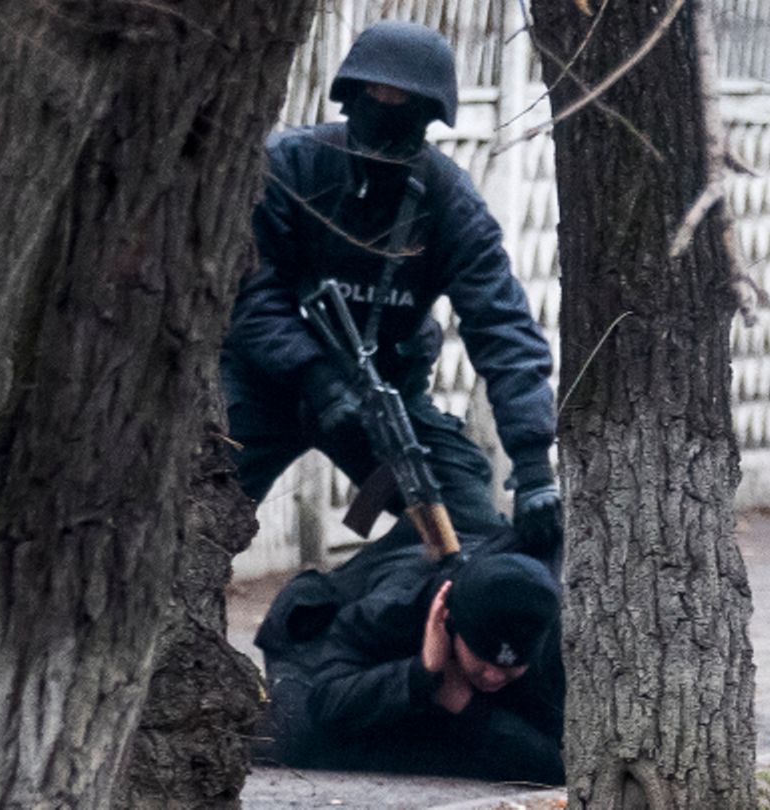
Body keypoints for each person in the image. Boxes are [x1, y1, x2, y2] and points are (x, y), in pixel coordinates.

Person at [220, 20, 562, 563]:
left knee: (472, 539)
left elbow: (502, 326)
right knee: (193, 520)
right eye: (375, 94)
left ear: (430, 115)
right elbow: (249, 293)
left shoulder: (448, 201)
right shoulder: (290, 167)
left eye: (402, 101)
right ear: (350, 97)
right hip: (266, 389)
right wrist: (314, 376)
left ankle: (388, 604)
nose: (386, 109)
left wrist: (534, 466)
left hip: (380, 400)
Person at [253, 548, 565, 784]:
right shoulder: (394, 608)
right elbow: (327, 701)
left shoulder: (551, 638)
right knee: (301, 742)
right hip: (315, 637)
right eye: (482, 659)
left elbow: (565, 762)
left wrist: (468, 708)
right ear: (449, 623)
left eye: (511, 667)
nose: (494, 675)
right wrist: (420, 674)